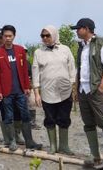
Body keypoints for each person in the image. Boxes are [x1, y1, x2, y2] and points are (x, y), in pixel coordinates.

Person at [71, 18, 103, 167]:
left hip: (96, 89)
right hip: (83, 89)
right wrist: (76, 89)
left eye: (78, 29)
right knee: (88, 123)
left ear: (86, 28)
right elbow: (80, 69)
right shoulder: (81, 46)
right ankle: (95, 155)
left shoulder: (101, 43)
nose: (77, 31)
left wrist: (102, 86)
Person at [0, 25, 42, 151]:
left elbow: (25, 70)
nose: (8, 38)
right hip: (6, 91)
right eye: (5, 36)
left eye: (10, 36)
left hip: (20, 90)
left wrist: (27, 87)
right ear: (2, 37)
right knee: (8, 116)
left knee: (25, 115)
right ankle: (12, 141)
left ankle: (29, 141)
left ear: (14, 36)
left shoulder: (20, 50)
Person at [32, 25, 76, 155]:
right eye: (43, 36)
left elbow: (72, 68)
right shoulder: (38, 52)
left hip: (64, 90)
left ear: (54, 35)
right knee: (50, 119)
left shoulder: (65, 49)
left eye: (48, 35)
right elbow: (35, 73)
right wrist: (36, 93)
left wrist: (73, 86)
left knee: (64, 118)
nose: (45, 38)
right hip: (47, 91)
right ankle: (53, 146)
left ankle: (64, 146)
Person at [0, 28, 25, 146]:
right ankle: (8, 138)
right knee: (4, 113)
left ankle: (17, 135)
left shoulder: (18, 49)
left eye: (8, 36)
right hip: (2, 90)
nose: (2, 40)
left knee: (18, 113)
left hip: (17, 89)